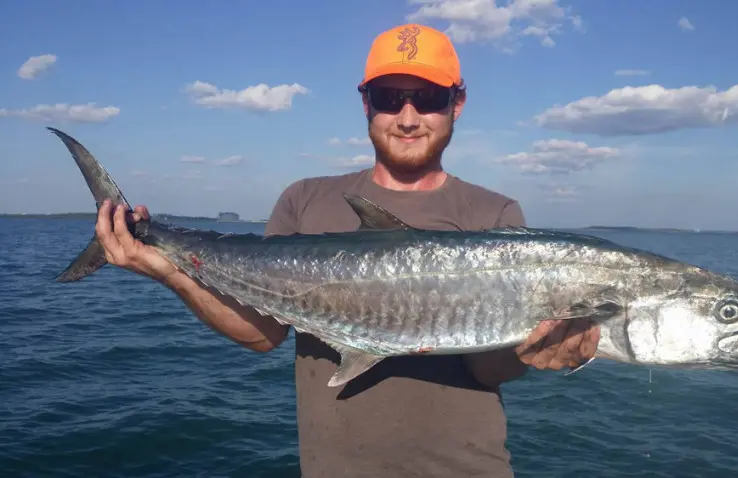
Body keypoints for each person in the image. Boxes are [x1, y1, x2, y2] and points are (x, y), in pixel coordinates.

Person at [95, 23, 600, 477]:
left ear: (457, 104)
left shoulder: (495, 215)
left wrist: (538, 352)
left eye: (427, 98)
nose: (407, 117)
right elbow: (261, 334)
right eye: (389, 97)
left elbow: (486, 368)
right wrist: (166, 270)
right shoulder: (305, 200)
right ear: (365, 103)